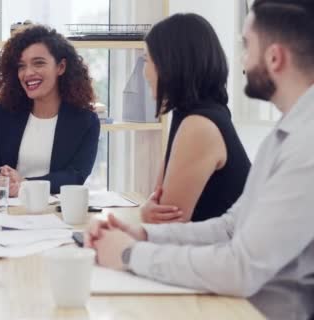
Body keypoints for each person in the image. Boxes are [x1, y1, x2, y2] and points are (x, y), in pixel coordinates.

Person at [86, 1, 314, 319]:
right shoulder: (285, 134)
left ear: (274, 58)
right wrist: (145, 234)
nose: (242, 59)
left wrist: (129, 253)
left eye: (246, 46)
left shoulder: (306, 146)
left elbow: (241, 268)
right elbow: (231, 227)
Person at [139, 13, 251, 224]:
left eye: (147, 60)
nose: (144, 72)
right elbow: (158, 201)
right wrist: (146, 211)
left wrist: (146, 213)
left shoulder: (199, 125)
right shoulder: (191, 113)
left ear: (170, 64)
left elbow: (165, 225)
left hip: (219, 253)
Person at [0, 25, 100, 196]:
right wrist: (0, 180)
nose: (28, 73)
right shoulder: (2, 112)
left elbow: (75, 175)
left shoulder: (85, 120)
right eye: (21, 66)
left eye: (38, 63)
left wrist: (25, 185)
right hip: (6, 207)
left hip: (55, 212)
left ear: (61, 67)